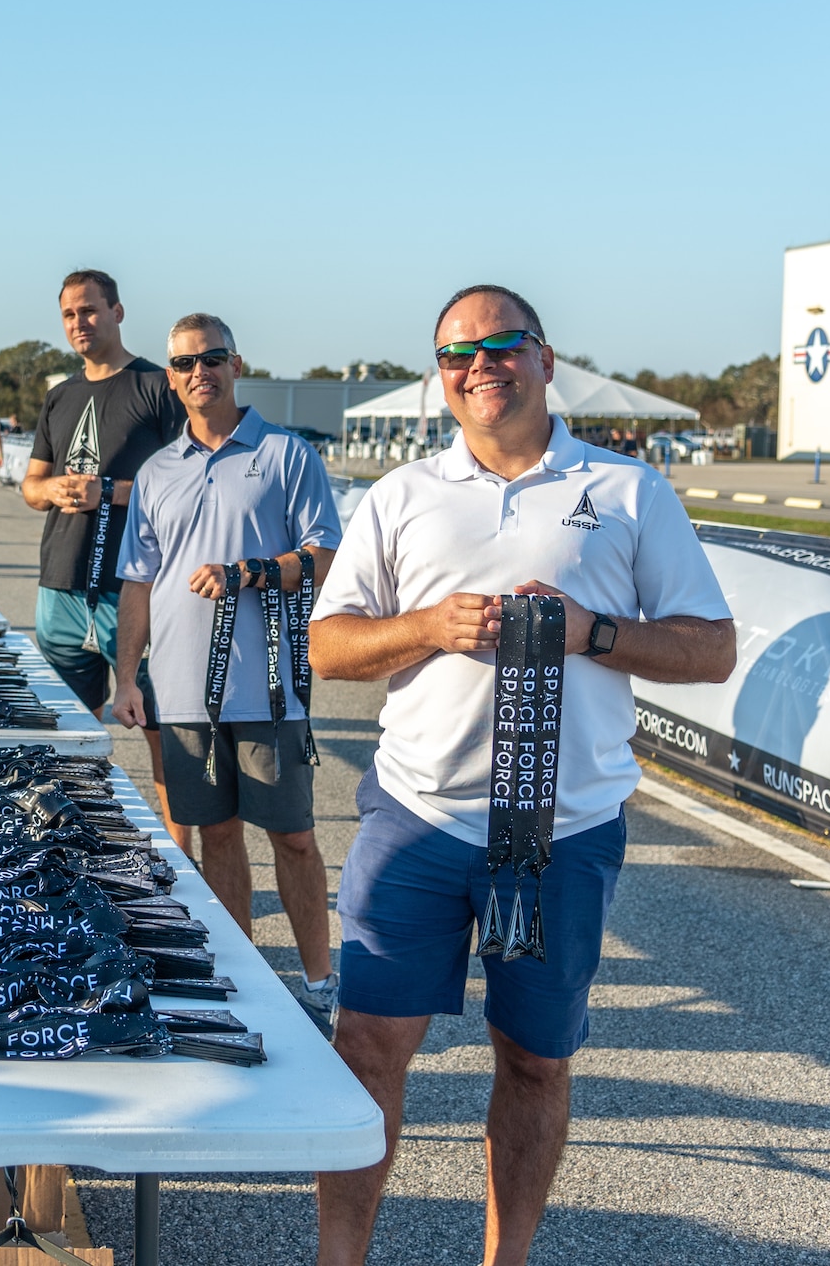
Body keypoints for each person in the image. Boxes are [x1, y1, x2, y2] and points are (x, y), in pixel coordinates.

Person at [309, 285, 735, 1266]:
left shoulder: (627, 490)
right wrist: (427, 626)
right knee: (367, 1051)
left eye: (500, 345)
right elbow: (327, 648)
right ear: (439, 377)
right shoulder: (402, 494)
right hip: (415, 819)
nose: (478, 365)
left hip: (559, 832)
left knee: (535, 1062)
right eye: (455, 354)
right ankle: (338, 1259)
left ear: (545, 360)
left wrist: (593, 633)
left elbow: (709, 650)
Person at [112, 313, 342, 1037]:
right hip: (180, 692)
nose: (198, 371)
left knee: (296, 839)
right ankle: (244, 980)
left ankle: (319, 983)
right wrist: (126, 679)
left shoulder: (285, 454)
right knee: (215, 839)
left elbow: (326, 557)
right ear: (171, 377)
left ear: (236, 364)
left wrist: (252, 573)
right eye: (184, 362)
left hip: (269, 688)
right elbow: (138, 584)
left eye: (212, 357)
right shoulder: (156, 471)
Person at [21, 268, 184, 847]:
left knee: (164, 737)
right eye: (68, 314)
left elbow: (188, 482)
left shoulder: (159, 387)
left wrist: (109, 491)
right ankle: (81, 859)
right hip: (59, 588)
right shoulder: (59, 396)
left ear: (117, 311)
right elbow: (32, 483)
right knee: (67, 738)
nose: (79, 323)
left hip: (134, 591)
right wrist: (54, 491)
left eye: (89, 310)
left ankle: (180, 870)